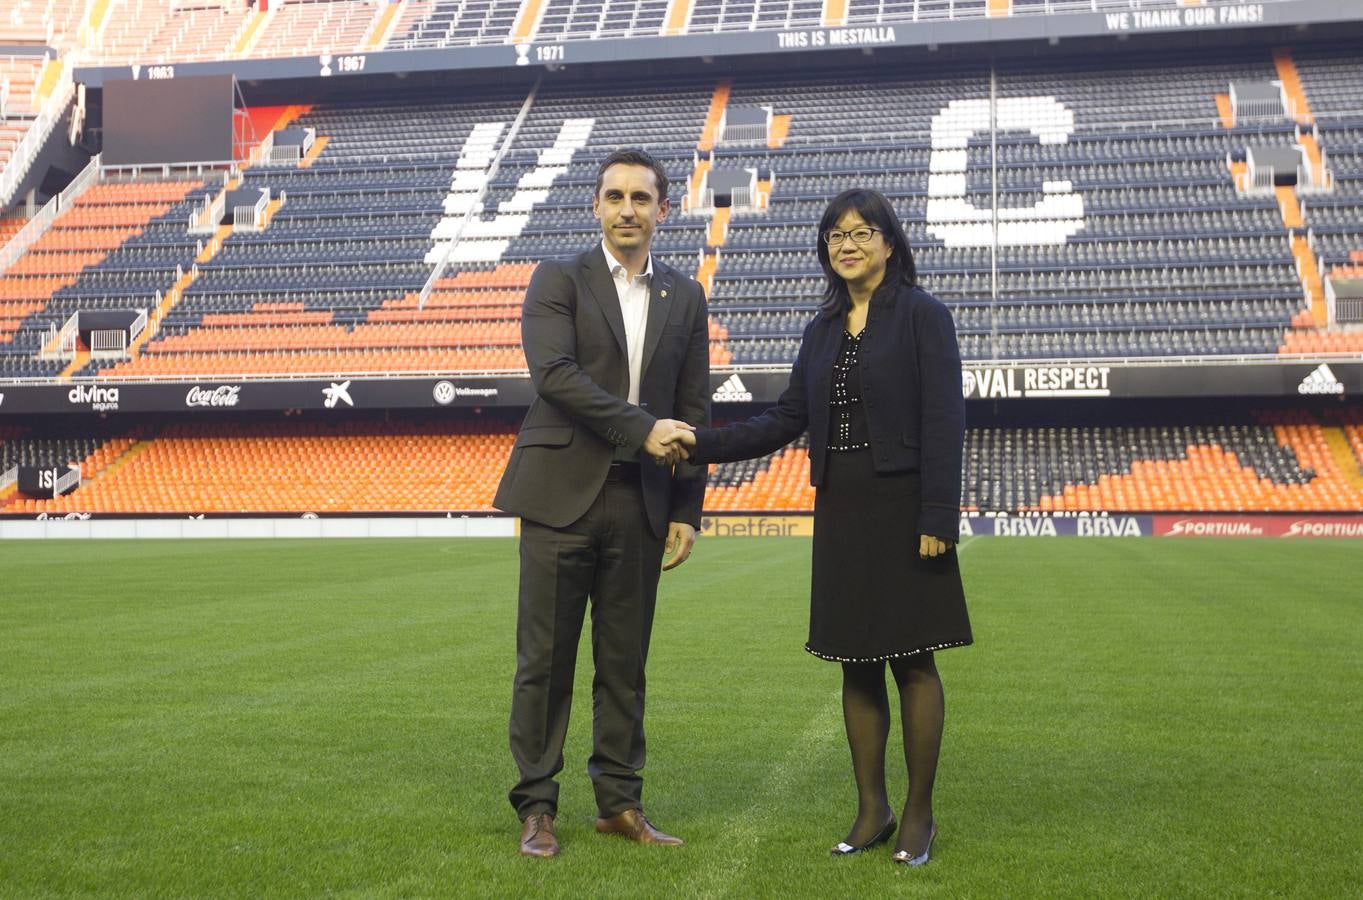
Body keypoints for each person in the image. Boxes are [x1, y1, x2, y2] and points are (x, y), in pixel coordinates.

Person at [667, 188, 971, 867]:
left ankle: (918, 815)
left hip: (904, 507)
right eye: (835, 235)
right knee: (854, 664)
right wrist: (700, 441)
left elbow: (944, 420)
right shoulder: (819, 331)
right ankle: (873, 811)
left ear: (889, 243)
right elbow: (782, 421)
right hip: (841, 507)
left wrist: (937, 514)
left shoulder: (924, 316)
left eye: (862, 232)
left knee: (913, 662)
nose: (847, 244)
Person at [493, 148, 710, 859]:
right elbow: (553, 374)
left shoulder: (686, 295)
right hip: (561, 495)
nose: (627, 209)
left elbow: (691, 406)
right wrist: (641, 427)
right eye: (614, 196)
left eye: (640, 198)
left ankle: (620, 803)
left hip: (641, 502)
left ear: (662, 210)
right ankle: (537, 807)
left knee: (625, 664)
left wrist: (687, 506)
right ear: (596, 206)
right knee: (544, 662)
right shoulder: (559, 278)